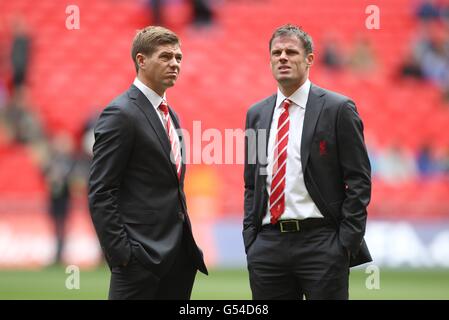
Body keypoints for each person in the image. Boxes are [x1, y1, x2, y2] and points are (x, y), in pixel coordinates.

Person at [243, 24, 372, 300]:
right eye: (276, 53)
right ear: (269, 60)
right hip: (268, 245)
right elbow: (251, 183)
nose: (283, 58)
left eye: (291, 52)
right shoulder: (256, 114)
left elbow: (359, 180)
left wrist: (345, 243)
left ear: (310, 59)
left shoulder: (338, 109)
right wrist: (251, 240)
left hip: (322, 243)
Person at [88, 26, 207, 300]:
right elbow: (101, 191)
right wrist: (123, 256)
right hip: (139, 263)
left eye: (178, 58)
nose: (175, 64)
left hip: (178, 260)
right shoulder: (121, 113)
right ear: (141, 60)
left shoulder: (170, 114)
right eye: (165, 57)